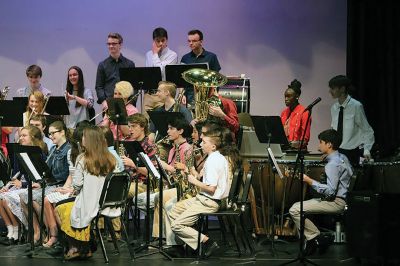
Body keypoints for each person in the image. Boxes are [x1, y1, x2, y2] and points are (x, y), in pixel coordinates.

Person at [168, 127, 236, 257]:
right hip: (204, 198)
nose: (200, 144)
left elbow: (211, 188)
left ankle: (207, 242)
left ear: (213, 146)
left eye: (204, 142)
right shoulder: (216, 157)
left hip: (209, 202)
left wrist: (194, 181)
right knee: (175, 209)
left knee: (176, 225)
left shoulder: (213, 161)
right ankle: (184, 245)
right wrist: (193, 173)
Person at [55, 126, 116, 259]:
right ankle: (83, 245)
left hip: (89, 202)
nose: (81, 139)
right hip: (107, 202)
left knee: (60, 207)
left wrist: (72, 192)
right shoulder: (111, 158)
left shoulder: (83, 159)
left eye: (84, 136)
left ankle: (76, 246)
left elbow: (77, 185)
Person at [289, 129, 353, 256]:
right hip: (343, 199)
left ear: (329, 144)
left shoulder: (332, 164)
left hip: (335, 202)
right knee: (304, 205)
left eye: (321, 142)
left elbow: (330, 191)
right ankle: (316, 238)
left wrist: (309, 180)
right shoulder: (342, 157)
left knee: (294, 209)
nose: (319, 146)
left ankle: (315, 238)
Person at [19, 121, 71, 244]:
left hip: (60, 184)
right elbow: (46, 169)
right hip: (50, 183)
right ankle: (38, 230)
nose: (51, 136)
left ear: (62, 132)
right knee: (24, 196)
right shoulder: (53, 149)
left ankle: (52, 232)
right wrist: (41, 182)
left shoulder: (69, 149)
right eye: (49, 134)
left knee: (36, 199)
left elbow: (67, 174)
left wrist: (49, 180)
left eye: (54, 133)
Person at [0, 126, 47, 245]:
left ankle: (21, 230)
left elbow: (40, 178)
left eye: (24, 135)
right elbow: (16, 174)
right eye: (20, 135)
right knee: (1, 195)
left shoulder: (38, 152)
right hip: (20, 185)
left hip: (30, 186)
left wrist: (23, 184)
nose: (21, 138)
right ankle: (11, 228)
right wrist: (8, 185)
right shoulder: (18, 152)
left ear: (32, 137)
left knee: (7, 199)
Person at [328, 75, 375, 165]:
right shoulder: (334, 108)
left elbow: (367, 130)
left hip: (352, 152)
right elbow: (334, 131)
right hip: (338, 151)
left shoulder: (356, 106)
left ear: (342, 89)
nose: (330, 91)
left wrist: (367, 149)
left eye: (333, 88)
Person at [95, 33, 135, 111]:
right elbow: (99, 86)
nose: (111, 46)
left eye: (114, 44)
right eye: (109, 44)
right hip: (109, 104)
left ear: (120, 45)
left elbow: (134, 86)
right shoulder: (102, 65)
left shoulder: (129, 64)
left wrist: (131, 102)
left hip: (126, 104)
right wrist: (103, 101)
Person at [181, 29, 221, 105]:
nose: (191, 43)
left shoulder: (211, 57)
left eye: (194, 41)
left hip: (206, 96)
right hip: (189, 96)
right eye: (189, 41)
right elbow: (182, 80)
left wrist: (211, 97)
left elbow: (216, 80)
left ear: (201, 42)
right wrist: (182, 95)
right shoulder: (185, 58)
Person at [280, 79, 311, 149]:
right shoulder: (284, 113)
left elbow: (305, 140)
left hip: (297, 151)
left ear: (297, 96)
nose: (286, 99)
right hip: (284, 150)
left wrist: (291, 144)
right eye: (285, 96)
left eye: (289, 96)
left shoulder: (304, 112)